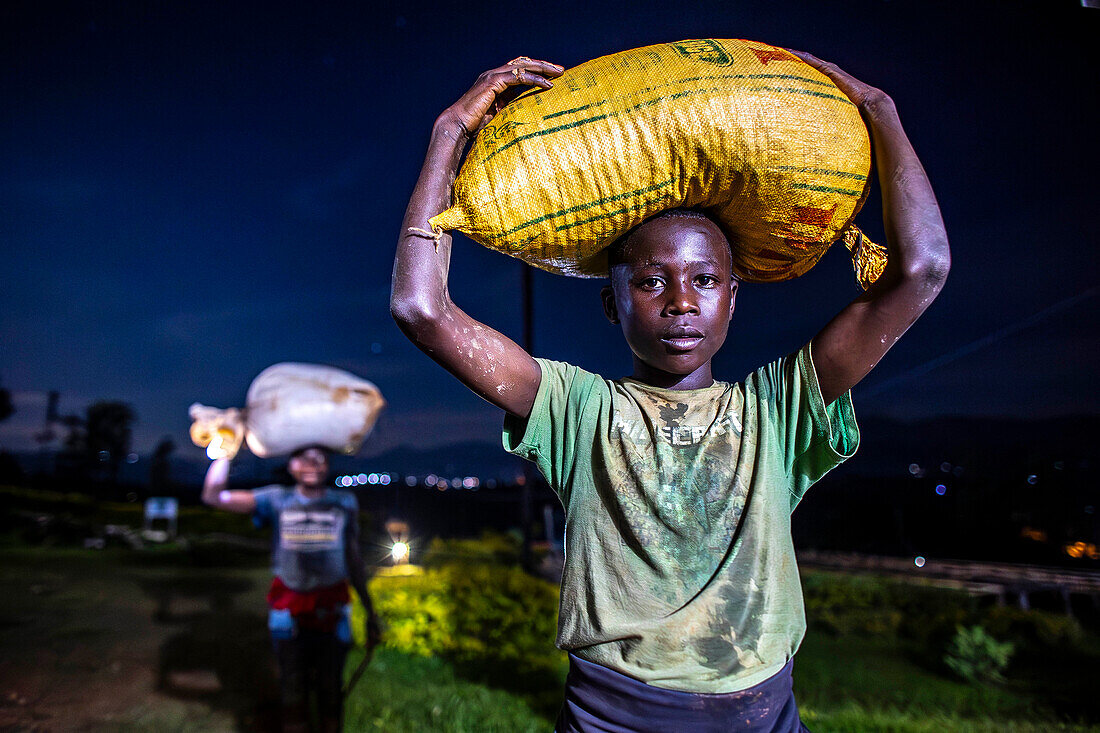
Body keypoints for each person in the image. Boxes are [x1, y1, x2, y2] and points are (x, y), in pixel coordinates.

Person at [391, 49, 949, 732]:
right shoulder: (579, 409)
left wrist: (880, 109)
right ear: (612, 304)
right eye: (652, 281)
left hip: (763, 714)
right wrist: (449, 131)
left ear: (733, 299)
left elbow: (921, 270)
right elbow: (421, 308)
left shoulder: (778, 408)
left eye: (705, 280)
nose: (681, 302)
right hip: (611, 715)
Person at [203, 446, 382, 733]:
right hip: (287, 612)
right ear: (290, 465)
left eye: (320, 458)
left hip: (333, 611)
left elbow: (354, 558)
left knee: (331, 690)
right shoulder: (276, 498)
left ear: (328, 465)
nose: (312, 463)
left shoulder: (344, 502)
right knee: (292, 688)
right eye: (303, 457)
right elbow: (214, 496)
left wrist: (371, 611)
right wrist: (225, 451)